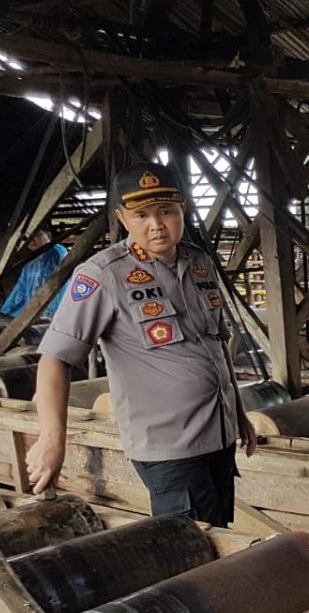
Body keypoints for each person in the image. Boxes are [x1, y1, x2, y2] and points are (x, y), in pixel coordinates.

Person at [28, 164, 256, 526]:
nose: (156, 224)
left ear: (183, 209)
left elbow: (215, 343)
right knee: (189, 548)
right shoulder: (103, 274)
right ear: (121, 218)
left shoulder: (199, 263)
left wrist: (238, 413)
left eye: (166, 211)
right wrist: (52, 440)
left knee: (218, 537)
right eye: (142, 215)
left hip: (219, 436)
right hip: (169, 446)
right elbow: (56, 358)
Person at [0, 227, 68, 319]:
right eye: (27, 236)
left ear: (48, 236)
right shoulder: (29, 263)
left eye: (37, 234)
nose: (31, 239)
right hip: (35, 315)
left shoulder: (57, 252)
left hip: (55, 314)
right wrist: (4, 312)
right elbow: (19, 291)